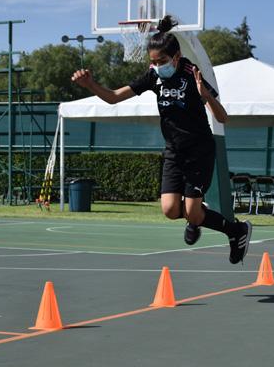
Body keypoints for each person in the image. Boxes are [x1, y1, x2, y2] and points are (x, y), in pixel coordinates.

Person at [71, 15, 252, 264]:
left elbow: (222, 117)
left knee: (192, 213)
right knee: (169, 210)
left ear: (176, 57)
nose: (157, 66)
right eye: (153, 62)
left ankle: (236, 230)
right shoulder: (153, 76)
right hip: (174, 151)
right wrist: (90, 84)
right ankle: (197, 216)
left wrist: (206, 95)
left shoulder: (192, 73)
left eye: (162, 61)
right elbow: (114, 97)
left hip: (199, 151)